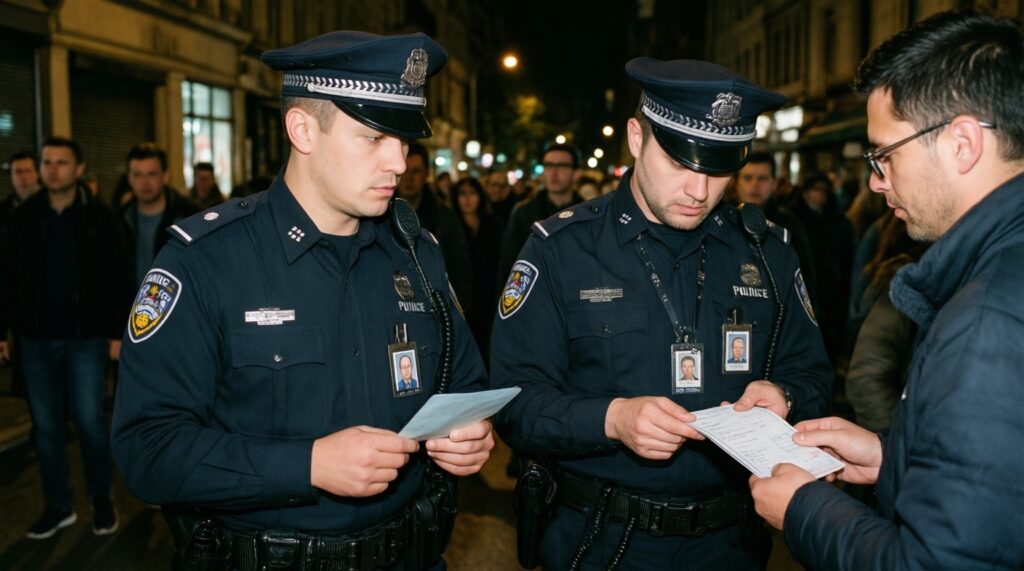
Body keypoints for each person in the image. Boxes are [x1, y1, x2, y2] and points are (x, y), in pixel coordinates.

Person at [111, 31, 494, 571]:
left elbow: (465, 381)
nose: (399, 162)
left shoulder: (415, 251)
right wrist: (308, 464)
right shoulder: (205, 262)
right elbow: (147, 450)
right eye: (374, 138)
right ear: (302, 130)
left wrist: (470, 434)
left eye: (404, 141)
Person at [491, 57, 832, 570]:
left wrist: (786, 396)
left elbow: (814, 376)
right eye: (679, 163)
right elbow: (514, 402)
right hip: (601, 539)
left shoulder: (767, 253)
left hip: (730, 543)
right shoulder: (561, 250)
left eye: (718, 169)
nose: (700, 191)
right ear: (636, 138)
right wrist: (612, 419)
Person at [748, 10, 1024, 570]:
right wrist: (891, 453)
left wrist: (803, 508)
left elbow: (937, 562)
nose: (875, 181)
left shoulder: (987, 320)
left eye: (885, 155)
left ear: (962, 143)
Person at [0, 137, 131, 539]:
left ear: (78, 169)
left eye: (61, 162)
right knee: (46, 429)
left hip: (86, 340)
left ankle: (101, 498)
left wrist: (117, 332)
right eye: (47, 162)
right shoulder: (24, 218)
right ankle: (58, 506)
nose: (52, 169)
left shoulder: (100, 218)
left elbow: (120, 276)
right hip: (35, 341)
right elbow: (5, 276)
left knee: (90, 422)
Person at [397, 142, 474, 313]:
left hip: (435, 310)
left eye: (416, 171)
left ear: (426, 173)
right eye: (405, 170)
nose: (409, 177)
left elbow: (459, 268)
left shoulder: (444, 216)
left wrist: (458, 312)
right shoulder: (379, 213)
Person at [734, 153, 817, 301]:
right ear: (737, 183)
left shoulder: (790, 227)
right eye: (747, 178)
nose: (754, 185)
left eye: (762, 179)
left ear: (774, 183)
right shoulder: (721, 223)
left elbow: (805, 281)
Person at [497, 142, 584, 282]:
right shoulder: (523, 212)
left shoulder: (587, 215)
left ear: (576, 174)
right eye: (549, 166)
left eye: (562, 166)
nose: (554, 173)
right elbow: (509, 262)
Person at [121, 143, 199, 286]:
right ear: (129, 179)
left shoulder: (188, 218)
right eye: (138, 175)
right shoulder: (118, 220)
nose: (145, 182)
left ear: (165, 176)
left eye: (152, 174)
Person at [452, 176, 501, 360]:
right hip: (461, 297)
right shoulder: (450, 226)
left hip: (488, 296)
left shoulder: (493, 225)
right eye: (462, 193)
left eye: (472, 193)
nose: (467, 199)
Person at [2, 150, 40, 221]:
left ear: (37, 174)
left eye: (28, 171)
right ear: (11, 176)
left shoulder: (51, 206)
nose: (23, 177)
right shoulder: (4, 210)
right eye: (18, 172)